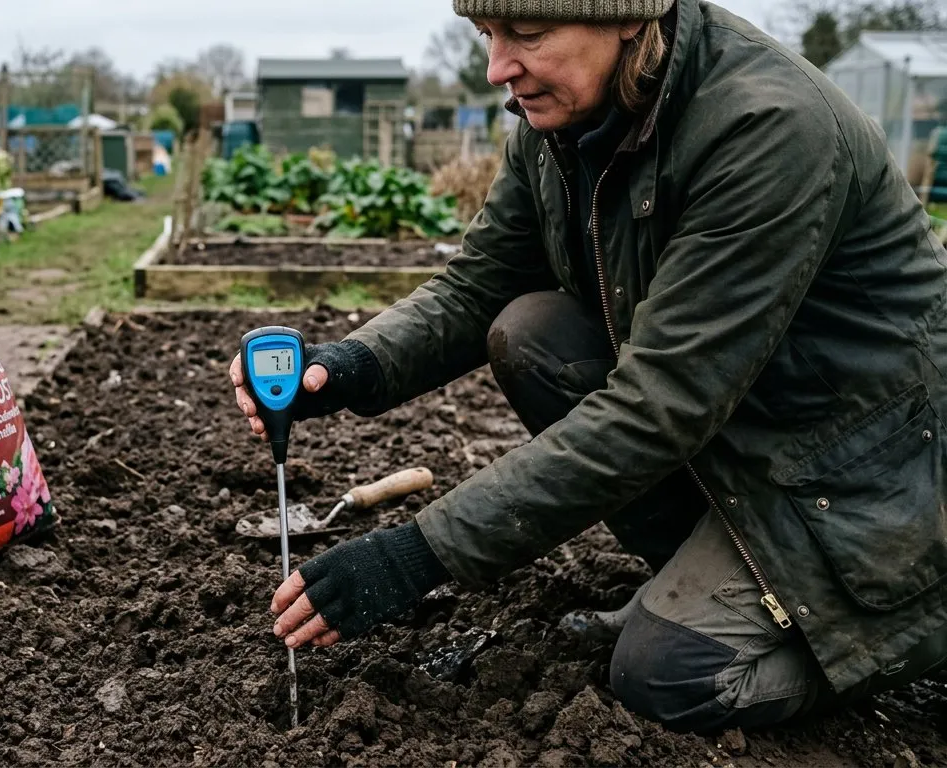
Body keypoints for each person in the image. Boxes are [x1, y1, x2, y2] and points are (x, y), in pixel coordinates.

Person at [230, 0, 947, 734]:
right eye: (488, 36)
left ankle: (896, 632)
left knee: (668, 676)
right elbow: (482, 284)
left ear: (627, 19)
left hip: (865, 477)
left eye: (528, 36)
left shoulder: (765, 127)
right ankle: (709, 579)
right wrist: (348, 367)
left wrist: (418, 554)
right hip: (748, 427)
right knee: (533, 331)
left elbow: (657, 403)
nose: (497, 69)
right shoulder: (564, 120)